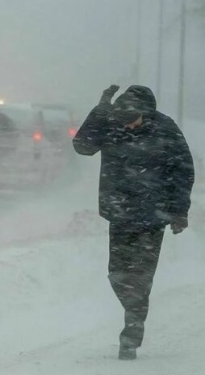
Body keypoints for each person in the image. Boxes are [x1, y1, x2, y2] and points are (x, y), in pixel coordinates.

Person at [72, 85, 195, 360]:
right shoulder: (112, 124)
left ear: (146, 113)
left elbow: (183, 170)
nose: (130, 126)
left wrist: (179, 210)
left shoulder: (165, 129)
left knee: (141, 275)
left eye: (134, 120)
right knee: (117, 273)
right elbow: (82, 146)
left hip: (153, 216)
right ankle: (134, 311)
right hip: (120, 213)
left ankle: (132, 329)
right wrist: (100, 111)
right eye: (125, 121)